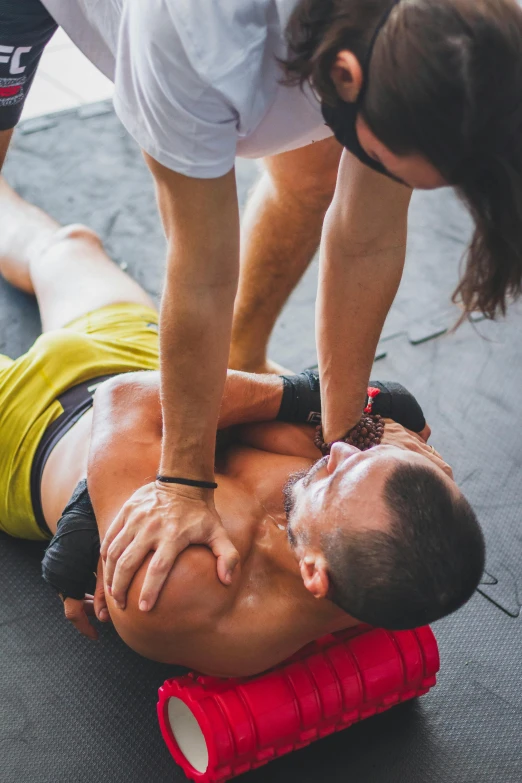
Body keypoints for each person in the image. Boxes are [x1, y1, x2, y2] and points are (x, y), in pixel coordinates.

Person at [0, 1, 518, 612]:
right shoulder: (196, 40)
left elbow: (367, 235)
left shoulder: (433, 43)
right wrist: (181, 482)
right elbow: (201, 275)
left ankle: (235, 360)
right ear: (348, 76)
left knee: (68, 249)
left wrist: (342, 418)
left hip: (110, 363)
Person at [0, 181, 485, 677]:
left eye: (337, 476)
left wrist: (298, 400)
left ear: (314, 574)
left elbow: (123, 401)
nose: (341, 452)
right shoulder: (377, 524)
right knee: (68, 246)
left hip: (26, 438)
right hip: (155, 360)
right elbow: (174, 415)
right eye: (366, 456)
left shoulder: (181, 588)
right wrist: (97, 493)